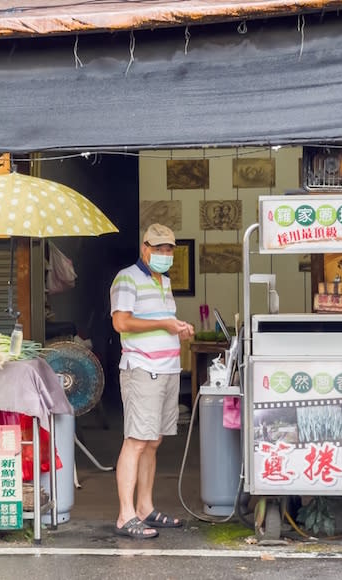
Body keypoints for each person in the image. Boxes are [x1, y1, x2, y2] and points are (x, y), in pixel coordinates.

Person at [109, 223, 195, 539]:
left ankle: (145, 508)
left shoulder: (164, 281)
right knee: (136, 440)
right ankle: (125, 515)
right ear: (144, 247)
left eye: (168, 249)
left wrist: (179, 329)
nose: (163, 254)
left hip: (167, 369)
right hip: (142, 370)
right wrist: (164, 323)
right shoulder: (127, 278)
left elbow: (159, 323)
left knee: (153, 441)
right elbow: (121, 322)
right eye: (157, 248)